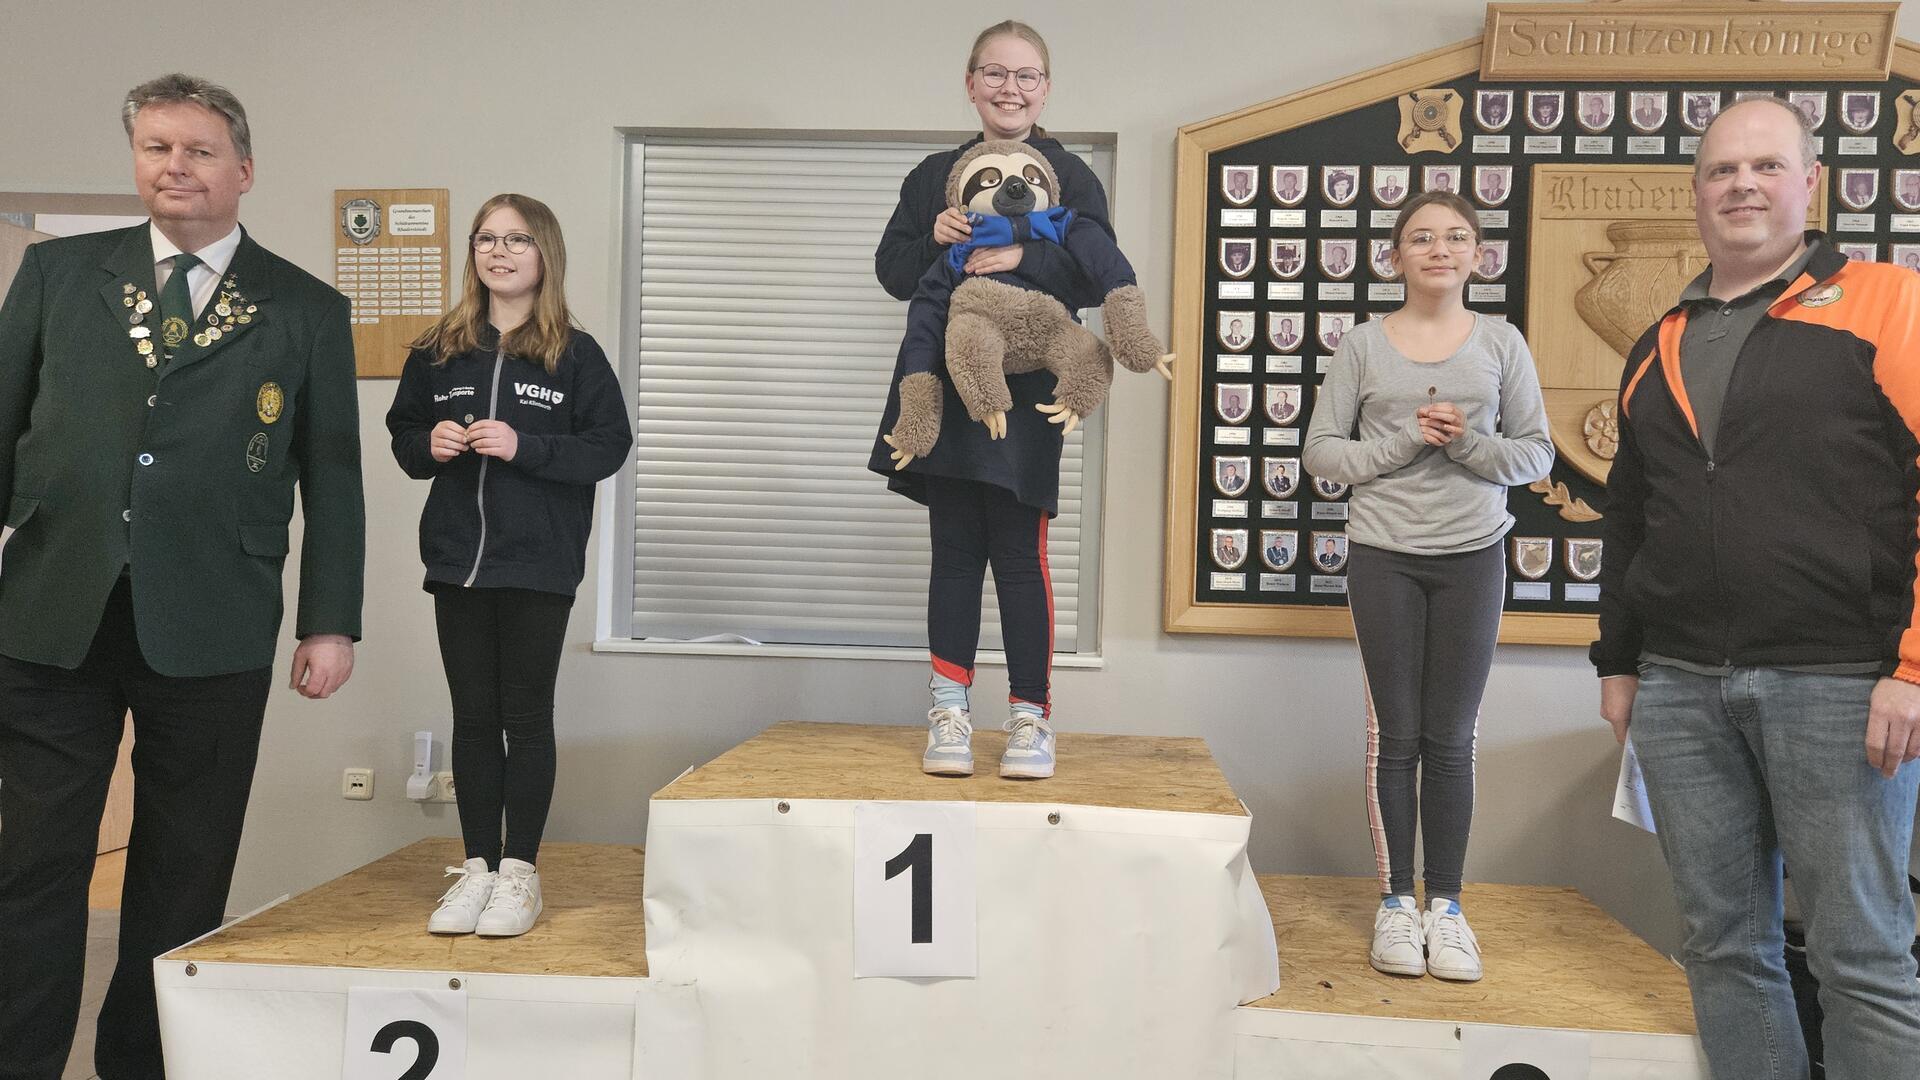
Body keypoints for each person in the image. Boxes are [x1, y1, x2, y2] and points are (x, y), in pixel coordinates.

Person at [0, 74, 365, 1079]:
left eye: (200, 150)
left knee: (182, 874)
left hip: (213, 623)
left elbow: (331, 477)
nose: (177, 167)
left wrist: (329, 622)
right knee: (29, 868)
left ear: (243, 170)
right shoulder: (58, 276)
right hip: (52, 610)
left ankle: (140, 1065)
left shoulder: (305, 307)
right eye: (158, 147)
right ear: (135, 161)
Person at [1593, 97, 1920, 1080]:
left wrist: (1910, 667)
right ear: (1696, 195)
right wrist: (1619, 663)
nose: (1742, 185)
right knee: (1724, 947)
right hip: (1681, 689)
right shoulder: (1659, 340)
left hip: (1841, 685)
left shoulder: (1887, 304)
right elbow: (1632, 516)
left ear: (1810, 184)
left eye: (1766, 167)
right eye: (1722, 170)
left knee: (1861, 957)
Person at [1303, 190, 1553, 984]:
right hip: (1384, 556)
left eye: (1455, 237)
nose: (1439, 249)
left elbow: (1536, 457)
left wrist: (1471, 445)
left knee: (1452, 738)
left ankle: (1446, 907)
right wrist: (1405, 441)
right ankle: (1394, 905)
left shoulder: (1503, 343)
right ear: (1396, 256)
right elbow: (1322, 455)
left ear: (1479, 254)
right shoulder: (1362, 346)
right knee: (1396, 736)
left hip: (1474, 557)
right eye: (1421, 238)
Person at [872, 20, 1113, 782]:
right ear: (971, 82)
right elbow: (893, 270)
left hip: (1030, 387)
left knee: (1018, 553)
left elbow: (1098, 268)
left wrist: (1024, 253)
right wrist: (936, 242)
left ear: (1046, 88)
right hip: (947, 380)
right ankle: (948, 711)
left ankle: (1030, 720)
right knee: (952, 552)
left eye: (1027, 76)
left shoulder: (1069, 172)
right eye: (996, 73)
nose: (1011, 88)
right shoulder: (934, 173)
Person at [386, 194, 632, 938]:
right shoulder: (439, 349)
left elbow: (609, 446)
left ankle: (520, 872)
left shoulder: (574, 354)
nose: (499, 252)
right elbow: (403, 435)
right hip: (458, 564)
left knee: (524, 719)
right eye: (486, 239)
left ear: (544, 253)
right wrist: (426, 445)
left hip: (537, 564)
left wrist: (528, 447)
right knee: (472, 716)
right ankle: (477, 870)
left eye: (517, 239)